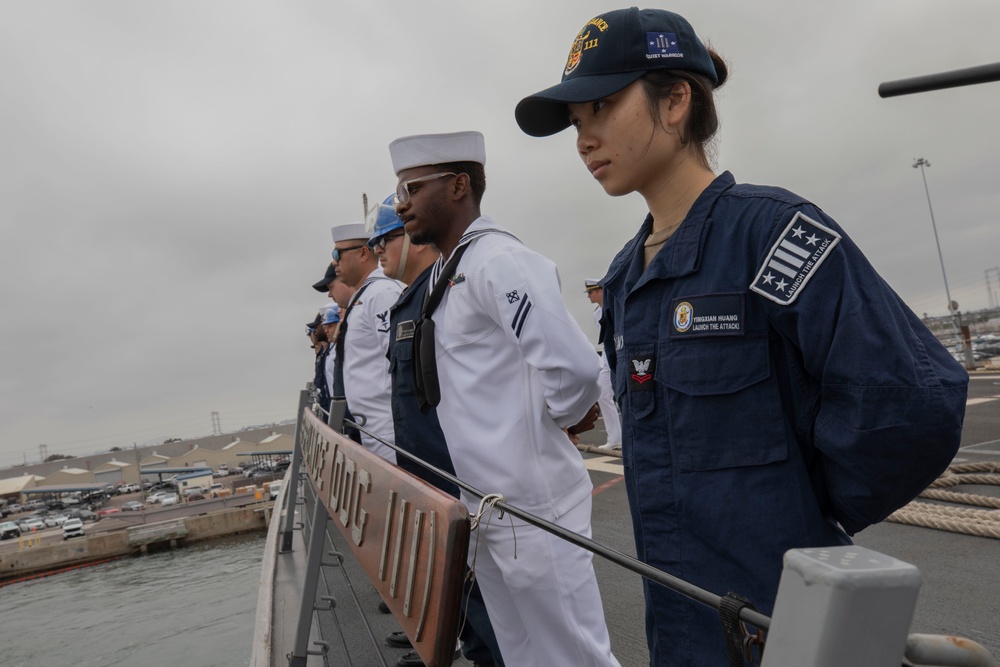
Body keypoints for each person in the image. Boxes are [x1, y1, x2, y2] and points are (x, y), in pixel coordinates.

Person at [514, 7, 969, 665]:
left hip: (786, 622)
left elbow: (912, 401)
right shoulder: (623, 278)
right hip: (680, 629)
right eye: (577, 122)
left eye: (603, 107)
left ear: (675, 102)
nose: (584, 137)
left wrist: (806, 508)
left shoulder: (772, 234)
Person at [388, 131, 620, 667]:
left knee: (575, 656)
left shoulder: (499, 261)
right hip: (488, 505)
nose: (401, 204)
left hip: (534, 507)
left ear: (459, 186)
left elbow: (576, 366)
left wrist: (556, 420)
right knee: (522, 655)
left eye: (412, 188)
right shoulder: (454, 269)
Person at [368, 194, 505, 667]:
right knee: (466, 604)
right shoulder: (415, 297)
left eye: (382, 238)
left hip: (463, 481)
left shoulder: (450, 288)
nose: (377, 250)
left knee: (487, 604)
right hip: (432, 480)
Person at [330, 222, 403, 462]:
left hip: (388, 436)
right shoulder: (363, 297)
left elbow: (400, 362)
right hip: (369, 435)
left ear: (363, 253)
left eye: (337, 254)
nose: (334, 262)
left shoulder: (382, 294)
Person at [585, 278, 622, 451]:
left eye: (591, 292)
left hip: (619, 351)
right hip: (606, 355)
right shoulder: (596, 313)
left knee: (623, 395)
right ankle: (615, 438)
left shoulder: (615, 307)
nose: (589, 296)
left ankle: (628, 436)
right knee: (604, 394)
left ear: (600, 291)